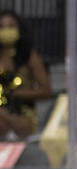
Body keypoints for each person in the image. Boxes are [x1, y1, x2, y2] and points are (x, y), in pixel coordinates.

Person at [0, 8, 51, 140]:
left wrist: (13, 94)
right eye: (1, 27)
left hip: (23, 113)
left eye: (11, 26)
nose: (6, 31)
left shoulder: (30, 56)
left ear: (19, 28)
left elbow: (46, 91)